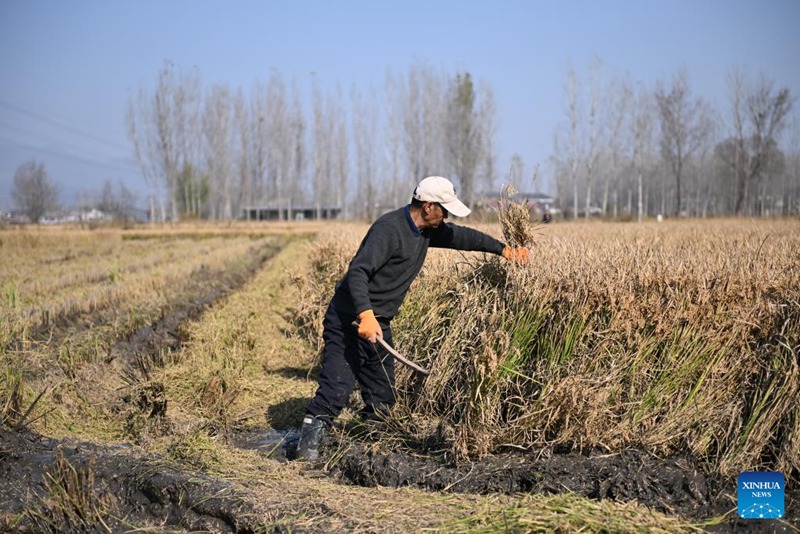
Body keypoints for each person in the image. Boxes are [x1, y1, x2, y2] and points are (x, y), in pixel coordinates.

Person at [295, 176, 530, 460]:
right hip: (349, 319)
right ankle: (304, 456)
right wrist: (365, 315)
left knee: (382, 397)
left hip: (377, 323)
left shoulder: (428, 231)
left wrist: (504, 250)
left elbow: (464, 237)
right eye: (445, 210)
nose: (447, 217)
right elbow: (358, 272)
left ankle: (367, 453)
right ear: (429, 206)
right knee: (336, 388)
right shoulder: (389, 230)